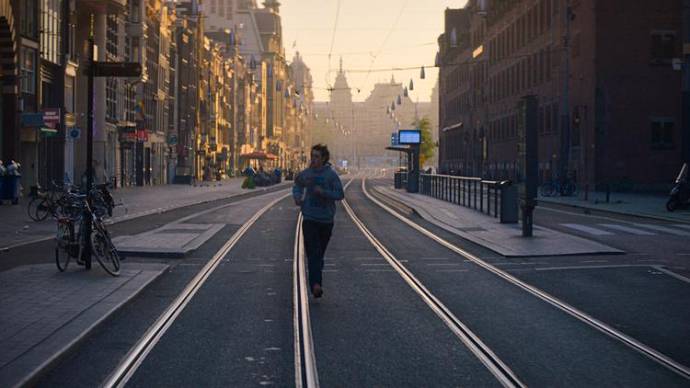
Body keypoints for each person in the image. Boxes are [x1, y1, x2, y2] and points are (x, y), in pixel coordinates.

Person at [293, 144, 344, 298]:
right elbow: (297, 184)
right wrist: (297, 196)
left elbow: (340, 194)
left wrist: (324, 192)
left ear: (323, 159)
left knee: (318, 254)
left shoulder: (331, 176)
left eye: (316, 157)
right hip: (309, 218)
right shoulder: (306, 174)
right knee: (314, 252)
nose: (313, 159)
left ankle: (316, 279)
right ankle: (316, 284)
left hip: (326, 220)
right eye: (312, 156)